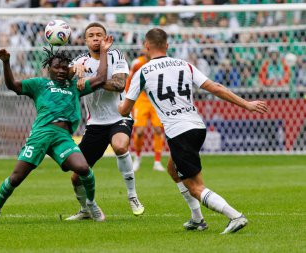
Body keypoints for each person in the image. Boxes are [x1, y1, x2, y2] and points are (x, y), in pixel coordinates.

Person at [119, 28, 268, 234]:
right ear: (167, 45)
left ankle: (235, 216)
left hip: (179, 131)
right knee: (172, 169)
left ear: (146, 46)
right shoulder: (184, 64)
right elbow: (215, 87)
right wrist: (246, 104)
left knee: (196, 187)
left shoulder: (143, 71)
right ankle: (197, 219)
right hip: (197, 127)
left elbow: (125, 110)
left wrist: (115, 104)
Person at [0, 35, 114, 224]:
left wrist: (104, 51)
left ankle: (91, 204)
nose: (60, 70)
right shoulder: (39, 84)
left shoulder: (75, 86)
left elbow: (100, 79)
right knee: (17, 177)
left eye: (64, 67)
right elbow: (13, 86)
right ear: (48, 69)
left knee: (83, 168)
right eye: (56, 67)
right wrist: (6, 62)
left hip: (62, 137)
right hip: (41, 134)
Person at [66, 22, 144, 220]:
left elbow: (119, 84)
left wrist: (90, 82)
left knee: (120, 146)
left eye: (99, 34)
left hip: (119, 117)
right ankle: (84, 210)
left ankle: (132, 195)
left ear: (106, 37)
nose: (95, 38)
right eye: (91, 35)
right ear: (85, 40)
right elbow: (63, 79)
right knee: (76, 175)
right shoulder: (79, 61)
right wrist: (72, 73)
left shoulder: (115, 55)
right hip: (95, 124)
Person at [125, 50, 165, 172]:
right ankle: (137, 158)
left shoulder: (160, 62)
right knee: (140, 131)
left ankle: (157, 161)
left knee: (158, 130)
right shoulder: (137, 63)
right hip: (141, 100)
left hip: (156, 99)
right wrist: (127, 98)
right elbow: (130, 80)